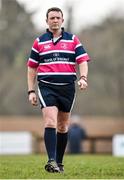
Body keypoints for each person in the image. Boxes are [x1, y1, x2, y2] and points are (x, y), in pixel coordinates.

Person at [27, 7, 90, 173]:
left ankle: (59, 164)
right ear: (46, 21)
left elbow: (82, 61)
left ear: (62, 20)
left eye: (57, 18)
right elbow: (32, 68)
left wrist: (83, 78)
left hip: (67, 89)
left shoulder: (73, 40)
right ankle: (51, 160)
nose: (55, 20)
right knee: (50, 122)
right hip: (47, 87)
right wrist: (31, 91)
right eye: (52, 18)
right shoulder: (39, 42)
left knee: (62, 126)